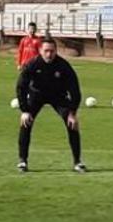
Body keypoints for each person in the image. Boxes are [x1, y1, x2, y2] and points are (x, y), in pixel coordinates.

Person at [16, 39, 85, 173]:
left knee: (72, 124)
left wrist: (72, 113)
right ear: (40, 51)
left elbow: (75, 90)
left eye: (52, 51)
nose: (49, 54)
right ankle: (23, 161)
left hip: (58, 96)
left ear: (56, 51)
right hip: (36, 95)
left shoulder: (63, 65)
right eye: (46, 51)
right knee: (25, 122)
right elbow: (21, 87)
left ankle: (78, 162)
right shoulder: (33, 64)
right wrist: (24, 110)